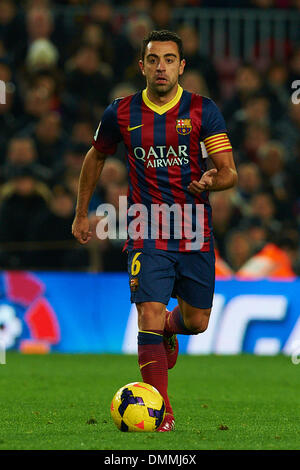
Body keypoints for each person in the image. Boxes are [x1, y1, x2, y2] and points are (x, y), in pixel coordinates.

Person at [72, 30, 238, 432]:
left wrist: (212, 180)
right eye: (153, 59)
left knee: (196, 321)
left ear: (181, 66)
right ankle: (161, 411)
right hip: (147, 227)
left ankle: (169, 327)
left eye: (168, 59)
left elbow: (230, 172)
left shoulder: (202, 109)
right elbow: (96, 157)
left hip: (194, 228)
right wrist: (81, 213)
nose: (160, 66)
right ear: (141, 65)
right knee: (148, 312)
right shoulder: (121, 112)